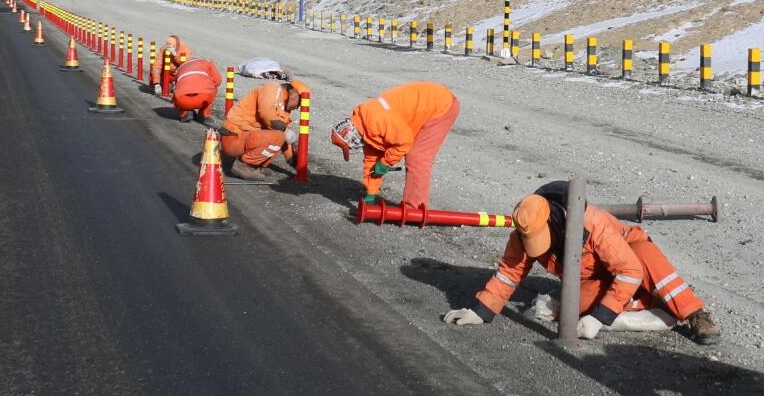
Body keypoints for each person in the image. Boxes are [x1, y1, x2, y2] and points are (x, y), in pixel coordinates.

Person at [440, 182, 721, 344]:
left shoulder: (592, 224)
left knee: (647, 259)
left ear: (555, 222)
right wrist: (481, 310)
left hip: (630, 258)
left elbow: (629, 270)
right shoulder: (523, 231)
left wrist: (600, 318)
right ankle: (649, 307)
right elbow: (508, 275)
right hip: (593, 278)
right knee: (573, 303)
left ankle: (694, 313)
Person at [329, 82, 459, 207]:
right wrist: (371, 194)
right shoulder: (364, 128)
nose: (353, 148)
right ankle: (411, 207)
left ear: (352, 137)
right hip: (423, 108)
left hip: (440, 105)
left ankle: (415, 210)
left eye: (350, 146)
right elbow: (371, 161)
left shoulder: (376, 121)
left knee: (417, 157)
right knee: (411, 154)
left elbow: (404, 142)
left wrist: (385, 163)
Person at [220, 78, 310, 180]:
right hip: (233, 138)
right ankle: (243, 166)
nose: (297, 107)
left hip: (244, 138)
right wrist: (285, 130)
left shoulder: (284, 111)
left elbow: (286, 142)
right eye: (300, 102)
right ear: (293, 93)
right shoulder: (273, 88)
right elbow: (267, 114)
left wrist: (297, 165)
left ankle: (255, 165)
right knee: (279, 136)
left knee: (280, 137)